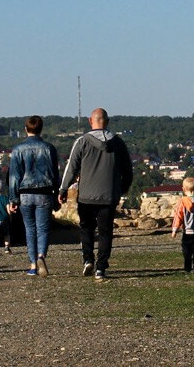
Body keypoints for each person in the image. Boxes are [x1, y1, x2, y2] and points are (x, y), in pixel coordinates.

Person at [59, 108, 133, 281]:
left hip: (86, 195)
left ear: (90, 121)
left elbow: (71, 168)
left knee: (87, 229)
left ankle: (88, 259)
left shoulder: (82, 141)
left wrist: (63, 189)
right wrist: (123, 187)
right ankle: (101, 268)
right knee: (106, 232)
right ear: (107, 121)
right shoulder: (118, 143)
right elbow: (127, 170)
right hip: (109, 195)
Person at [8, 115, 61, 277]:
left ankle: (32, 265)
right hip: (44, 193)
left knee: (29, 229)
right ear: (41, 129)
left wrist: (13, 199)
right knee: (43, 229)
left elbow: (14, 177)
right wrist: (57, 194)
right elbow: (54, 174)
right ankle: (41, 256)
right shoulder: (49, 148)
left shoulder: (18, 150)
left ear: (26, 129)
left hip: (25, 194)